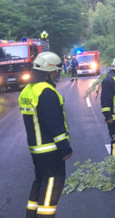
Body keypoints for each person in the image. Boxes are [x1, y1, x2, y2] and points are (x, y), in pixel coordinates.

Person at [18, 52, 72, 218]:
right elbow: (54, 124)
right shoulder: (47, 92)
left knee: (40, 182)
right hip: (50, 149)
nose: (56, 74)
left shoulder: (28, 90)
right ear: (49, 72)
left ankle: (31, 215)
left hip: (36, 148)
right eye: (55, 71)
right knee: (52, 184)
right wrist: (65, 148)